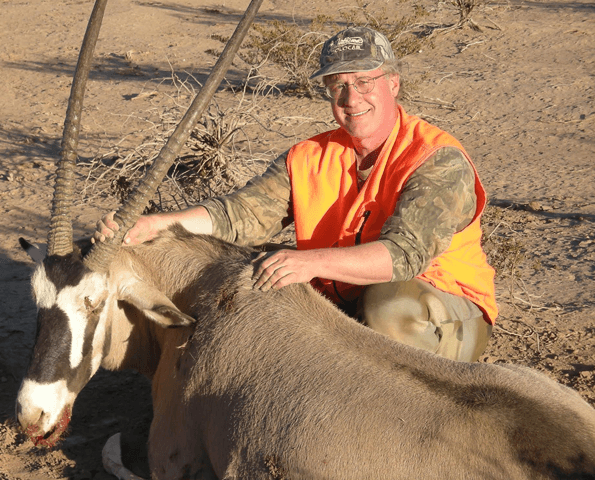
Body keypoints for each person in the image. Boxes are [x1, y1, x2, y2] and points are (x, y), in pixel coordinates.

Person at [94, 26, 496, 363]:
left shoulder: (438, 159)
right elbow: (241, 215)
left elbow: (403, 257)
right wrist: (157, 225)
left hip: (441, 310)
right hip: (346, 304)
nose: (351, 99)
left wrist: (309, 263)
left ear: (393, 83)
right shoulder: (307, 156)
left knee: (388, 310)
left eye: (363, 82)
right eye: (337, 85)